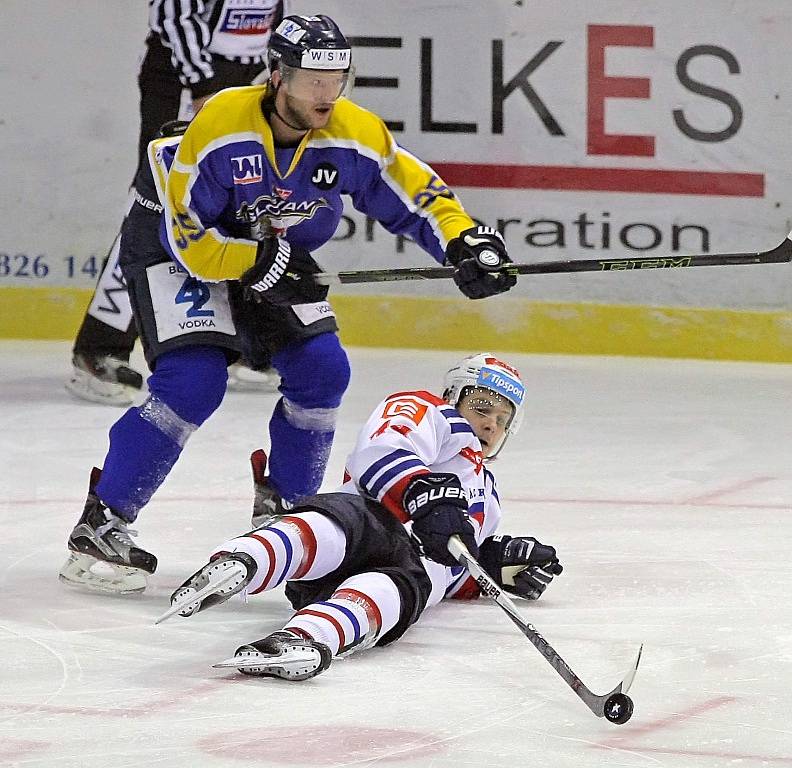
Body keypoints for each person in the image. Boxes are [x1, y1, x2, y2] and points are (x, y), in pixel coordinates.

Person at [58, 14, 518, 595]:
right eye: (311, 80)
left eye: (338, 79)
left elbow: (411, 190)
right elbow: (191, 238)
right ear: (276, 75)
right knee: (193, 382)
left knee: (323, 370)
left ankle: (288, 512)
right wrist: (261, 263)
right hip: (176, 247)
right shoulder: (223, 123)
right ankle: (103, 523)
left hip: (269, 255)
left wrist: (462, 239)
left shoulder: (352, 132)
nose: (327, 95)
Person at [160, 353, 562, 680]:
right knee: (343, 517)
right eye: (481, 407)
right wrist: (423, 494)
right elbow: (383, 448)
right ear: (454, 397)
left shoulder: (489, 500)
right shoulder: (431, 414)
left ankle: (306, 639)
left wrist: (488, 567)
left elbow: (449, 571)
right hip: (365, 531)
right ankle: (247, 560)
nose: (490, 423)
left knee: (404, 589)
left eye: (502, 419)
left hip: (405, 567)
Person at [66, 0, 287, 406]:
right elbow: (173, 15)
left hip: (242, 78)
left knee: (235, 198)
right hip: (186, 81)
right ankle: (101, 346)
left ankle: (246, 343)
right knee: (157, 204)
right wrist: (204, 87)